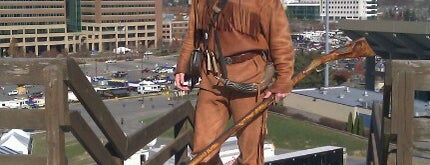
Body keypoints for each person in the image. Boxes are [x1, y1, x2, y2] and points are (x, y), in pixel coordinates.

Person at [175, 0, 295, 164]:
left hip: (250, 80)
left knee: (250, 154)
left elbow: (280, 40)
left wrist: (283, 80)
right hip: (212, 77)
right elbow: (193, 34)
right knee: (202, 152)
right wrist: (183, 66)